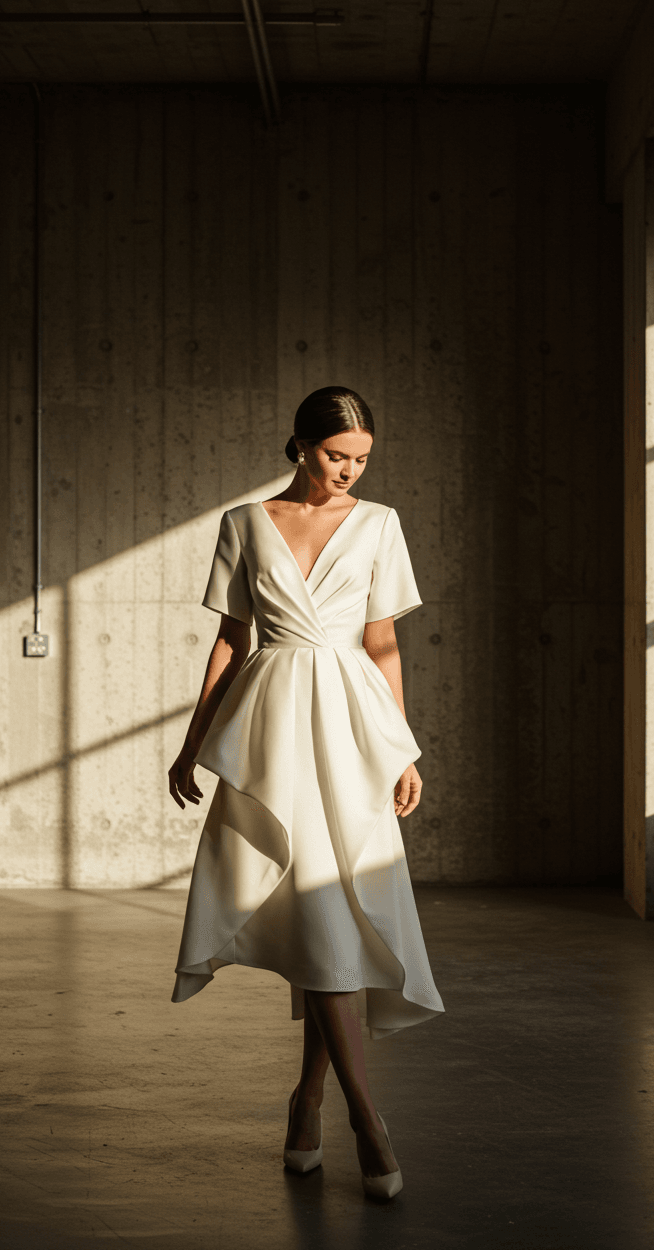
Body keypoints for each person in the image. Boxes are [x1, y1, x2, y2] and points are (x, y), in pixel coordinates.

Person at [167, 386, 444, 1200]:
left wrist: (403, 749)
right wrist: (191, 744)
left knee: (341, 908)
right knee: (316, 913)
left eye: (361, 460)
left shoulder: (381, 524)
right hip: (273, 727)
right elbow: (230, 638)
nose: (348, 473)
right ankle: (362, 1113)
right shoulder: (245, 524)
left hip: (355, 729)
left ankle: (318, 1099)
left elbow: (383, 640)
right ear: (299, 445)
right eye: (335, 457)